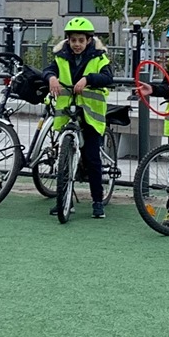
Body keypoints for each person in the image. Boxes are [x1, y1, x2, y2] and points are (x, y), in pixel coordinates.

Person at [48, 18, 117, 219]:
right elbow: (50, 69)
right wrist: (51, 78)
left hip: (90, 114)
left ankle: (97, 201)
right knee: (65, 157)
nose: (76, 44)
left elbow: (108, 77)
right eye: (73, 40)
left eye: (81, 40)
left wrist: (88, 79)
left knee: (92, 157)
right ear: (67, 41)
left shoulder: (98, 57)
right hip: (69, 111)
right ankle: (63, 199)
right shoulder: (61, 56)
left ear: (89, 40)